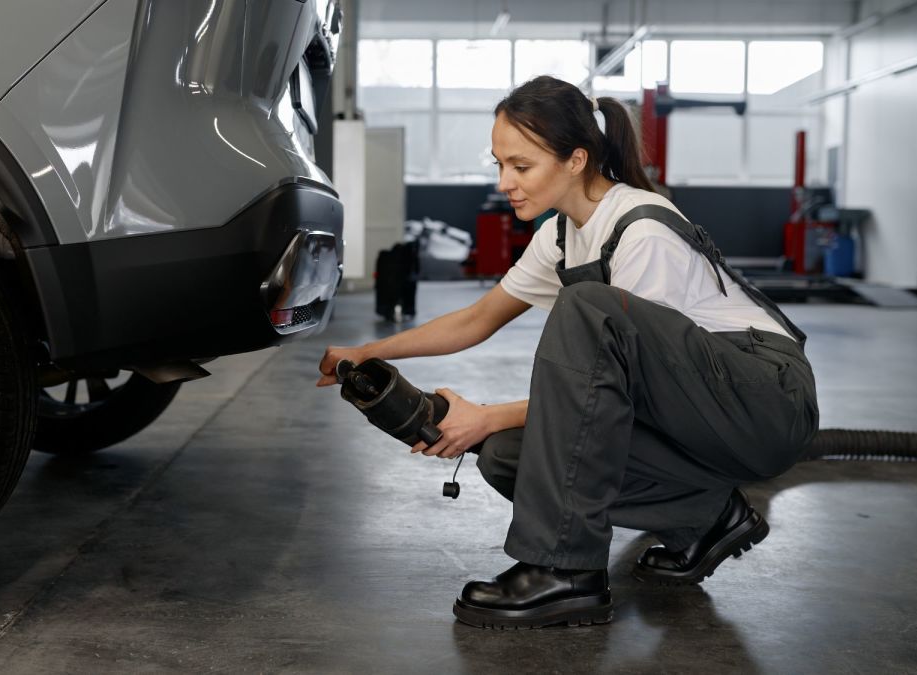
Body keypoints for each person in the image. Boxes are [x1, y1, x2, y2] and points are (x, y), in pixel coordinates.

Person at [316, 76, 819, 630]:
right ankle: (707, 517)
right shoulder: (561, 234)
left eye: (522, 166)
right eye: (499, 165)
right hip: (701, 411)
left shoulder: (641, 230)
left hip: (763, 401)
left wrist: (481, 417)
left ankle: (566, 574)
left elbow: (612, 394)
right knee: (511, 453)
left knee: (587, 310)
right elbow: (477, 319)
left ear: (576, 159)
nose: (506, 181)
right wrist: (369, 350)